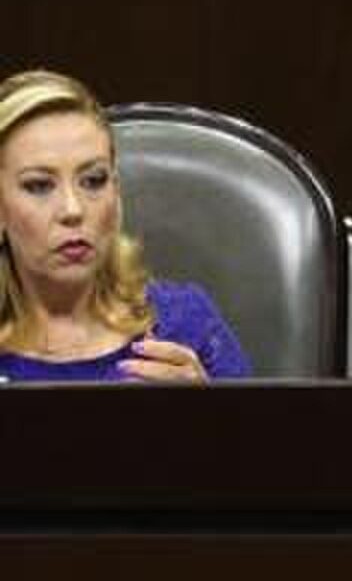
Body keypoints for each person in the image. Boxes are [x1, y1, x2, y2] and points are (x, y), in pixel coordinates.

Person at [0, 69, 250, 383]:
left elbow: (268, 432)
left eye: (93, 181)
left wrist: (204, 417)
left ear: (116, 195)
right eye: (39, 186)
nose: (73, 210)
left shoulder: (185, 326)